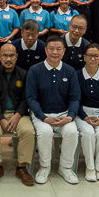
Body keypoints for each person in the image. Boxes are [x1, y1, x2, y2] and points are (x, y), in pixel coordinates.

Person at [26, 35, 80, 185]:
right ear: (45, 50)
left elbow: (75, 98)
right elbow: (31, 98)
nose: (55, 52)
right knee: (45, 132)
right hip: (41, 114)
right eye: (51, 49)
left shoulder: (70, 71)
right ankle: (45, 167)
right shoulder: (35, 70)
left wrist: (70, 117)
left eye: (58, 49)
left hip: (64, 114)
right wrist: (43, 117)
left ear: (64, 52)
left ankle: (65, 168)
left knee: (72, 132)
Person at [0, 43, 35, 186]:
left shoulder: (24, 74)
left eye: (11, 55)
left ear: (16, 57)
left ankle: (22, 167)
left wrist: (17, 115)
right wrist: (1, 119)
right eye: (5, 55)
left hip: (19, 114)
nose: (8, 59)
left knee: (28, 131)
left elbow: (27, 98)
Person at [76, 43, 99, 182]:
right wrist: (84, 117)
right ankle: (90, 167)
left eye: (96, 56)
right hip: (82, 113)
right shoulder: (77, 75)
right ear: (84, 57)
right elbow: (75, 100)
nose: (92, 59)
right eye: (90, 56)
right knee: (88, 133)